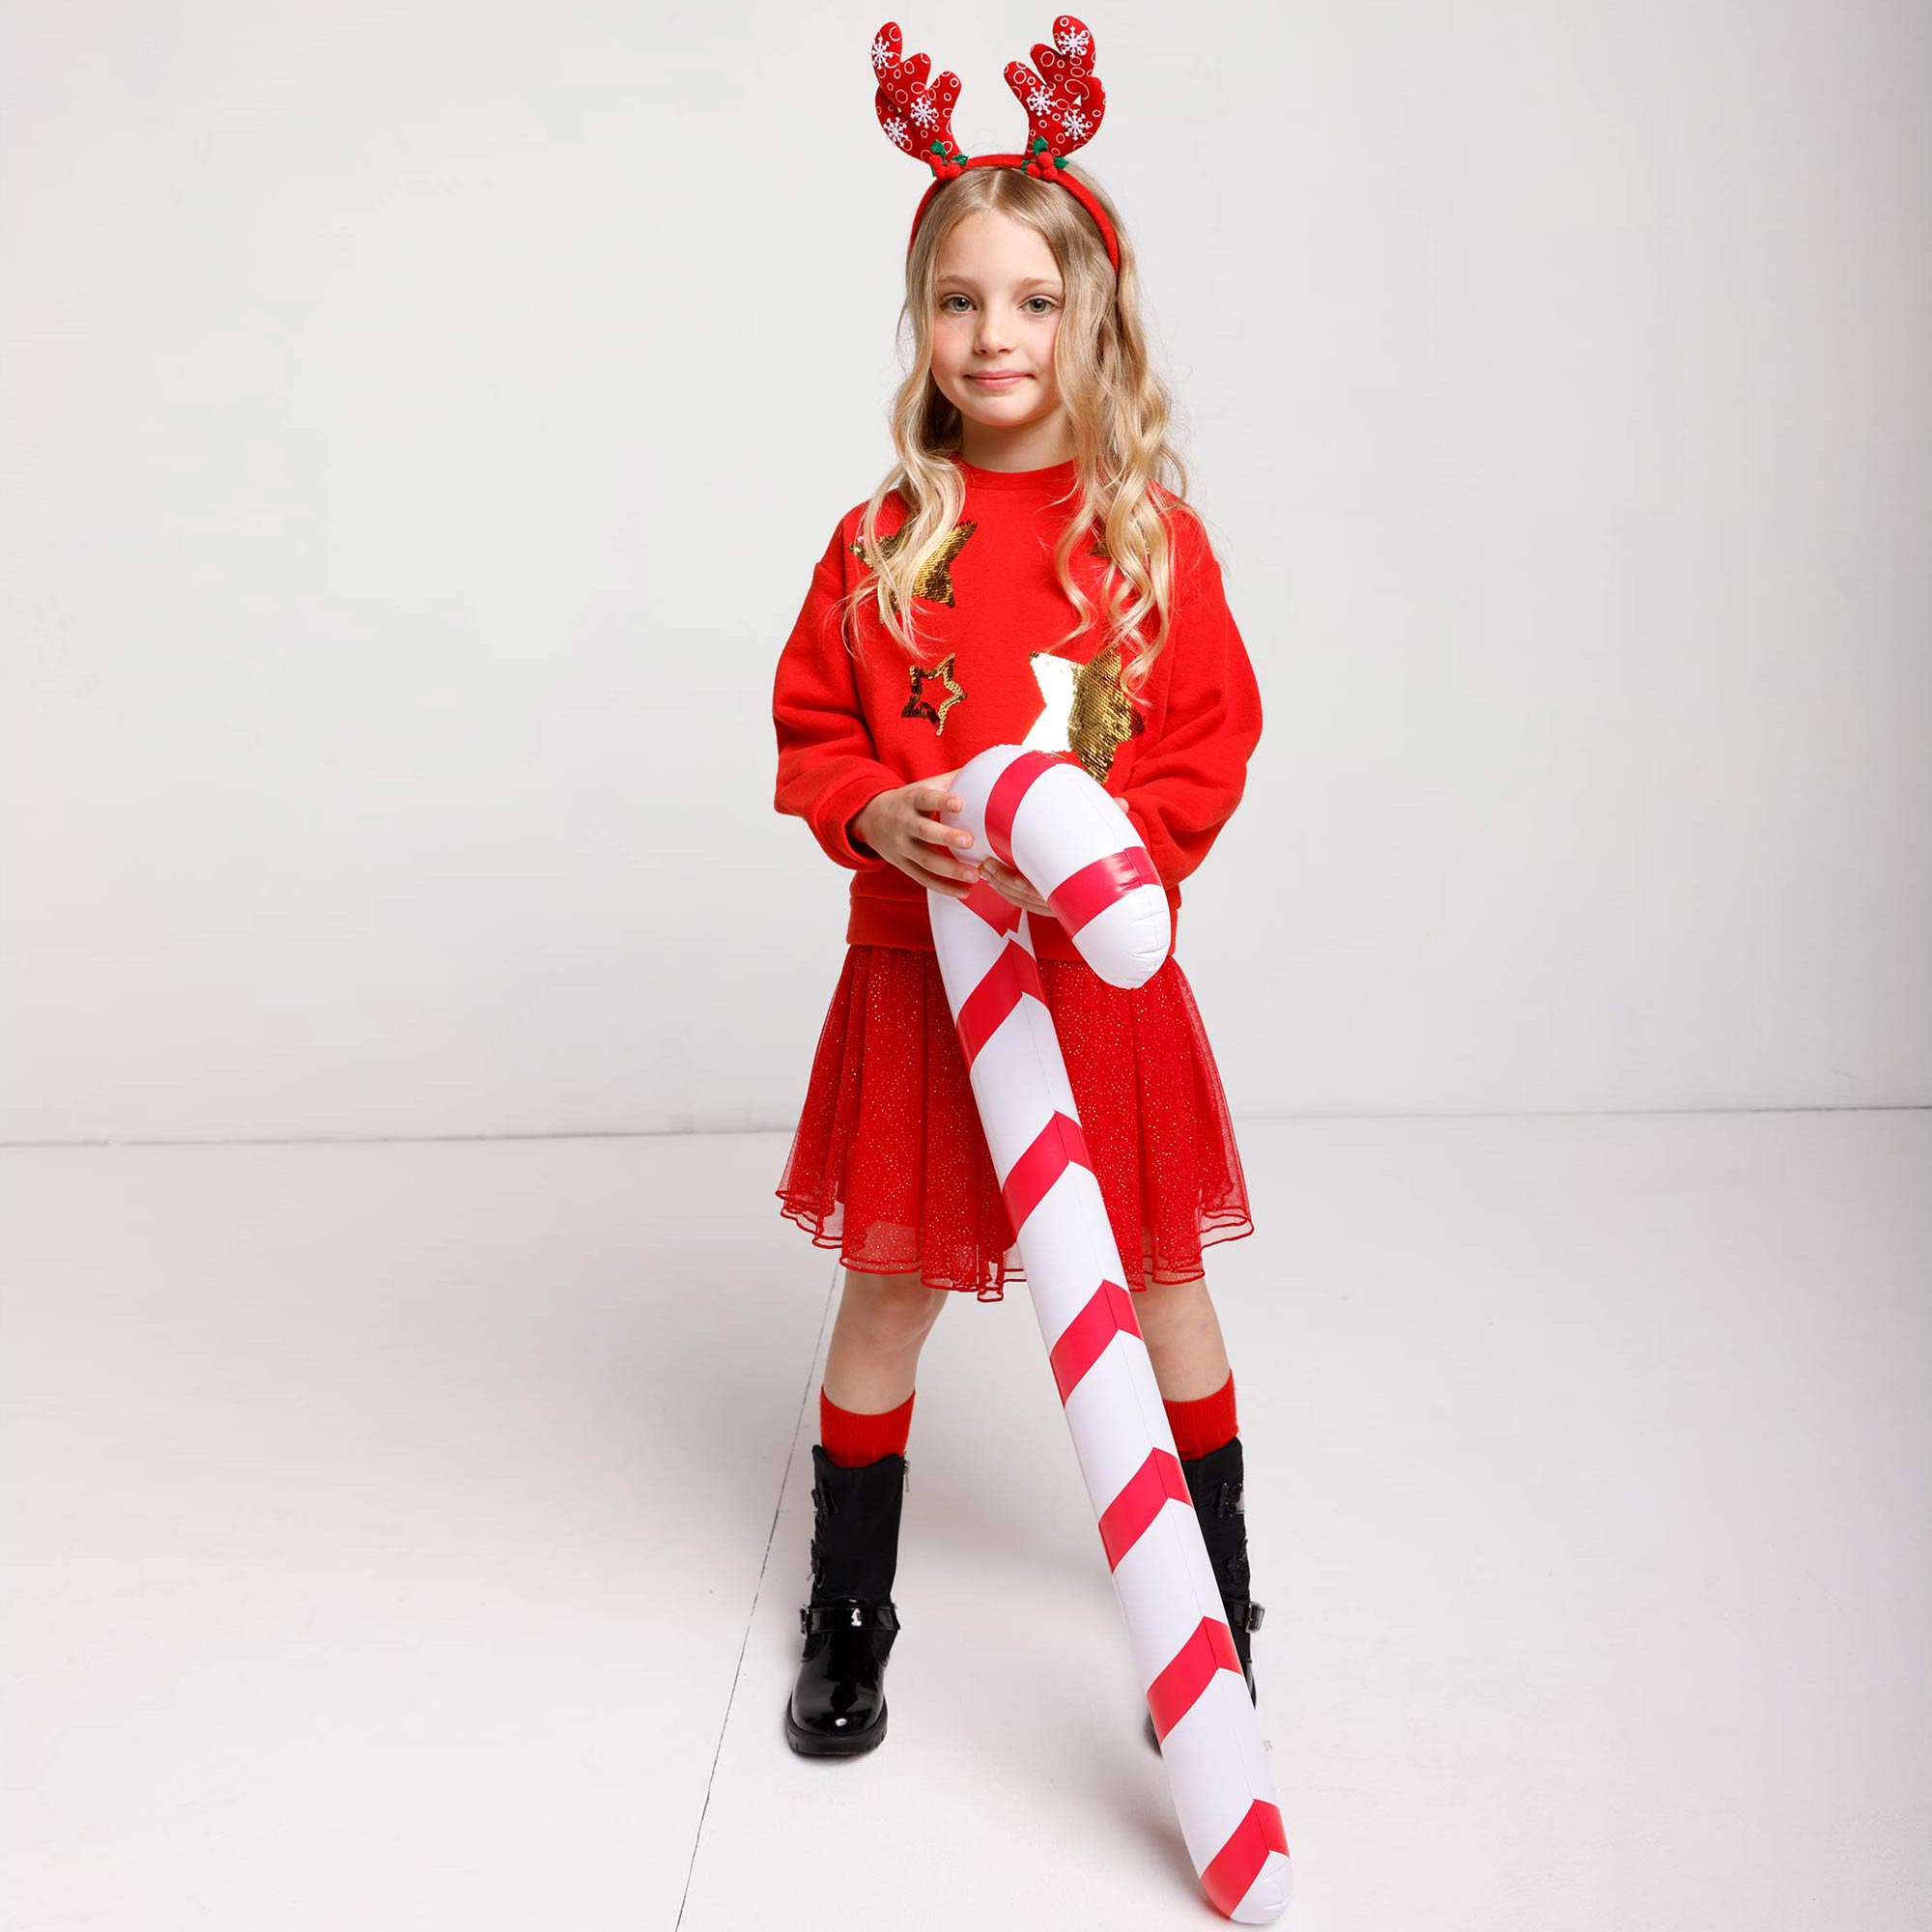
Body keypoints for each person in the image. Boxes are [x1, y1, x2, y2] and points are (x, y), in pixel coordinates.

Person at [771, 19, 1265, 1759]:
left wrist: (1120, 870)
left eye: (1035, 302)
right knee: (888, 1292)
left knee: (1157, 1286)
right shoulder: (876, 544)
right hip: (924, 987)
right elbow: (813, 732)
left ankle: (1217, 1592)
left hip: (1091, 994)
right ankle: (849, 1609)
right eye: (960, 300)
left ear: (1092, 319)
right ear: (921, 323)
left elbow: (1207, 739)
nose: (996, 335)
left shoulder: (1145, 542)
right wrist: (873, 812)